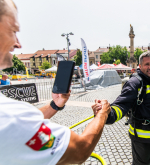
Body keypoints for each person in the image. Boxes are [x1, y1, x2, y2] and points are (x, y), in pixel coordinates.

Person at [0, 0, 111, 164]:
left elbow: (26, 121)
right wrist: (102, 114)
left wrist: (55, 105)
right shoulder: (9, 117)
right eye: (13, 30)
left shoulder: (12, 117)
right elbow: (80, 150)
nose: (18, 43)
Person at [93, 51, 150, 165]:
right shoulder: (135, 83)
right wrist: (107, 113)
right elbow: (121, 105)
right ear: (140, 66)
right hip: (142, 139)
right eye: (147, 64)